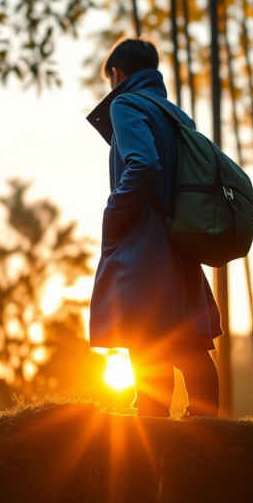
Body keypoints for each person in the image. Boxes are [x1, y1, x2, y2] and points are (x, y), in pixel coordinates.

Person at [88, 38, 222, 418]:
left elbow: (142, 164)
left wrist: (114, 213)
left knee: (145, 340)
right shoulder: (178, 115)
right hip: (181, 240)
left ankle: (150, 430)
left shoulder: (126, 103)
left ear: (116, 73)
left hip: (144, 243)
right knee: (187, 343)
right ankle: (208, 435)